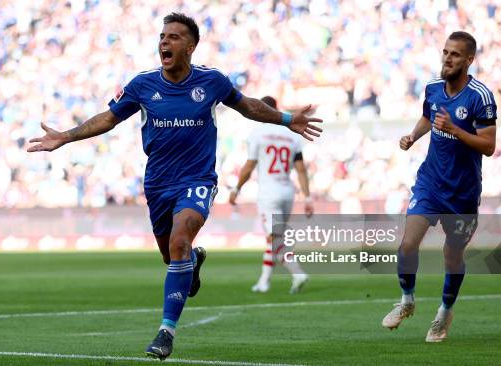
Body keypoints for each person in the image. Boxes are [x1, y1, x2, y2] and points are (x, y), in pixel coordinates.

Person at [27, 13, 322, 360]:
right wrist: (66, 136)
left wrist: (287, 119)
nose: (165, 42)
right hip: (158, 184)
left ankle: (166, 332)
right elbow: (108, 118)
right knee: (173, 256)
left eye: (175, 37)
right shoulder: (141, 85)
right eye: (163, 36)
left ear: (191, 47)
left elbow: (248, 107)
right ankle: (192, 261)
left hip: (197, 179)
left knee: (180, 239)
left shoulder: (212, 81)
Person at [381, 31, 497, 342]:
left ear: (469, 60)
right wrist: (412, 136)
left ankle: (444, 313)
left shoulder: (480, 97)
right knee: (407, 245)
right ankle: (406, 301)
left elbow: (488, 146)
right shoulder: (432, 89)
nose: (447, 58)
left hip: (462, 192)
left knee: (452, 255)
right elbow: (426, 117)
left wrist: (456, 130)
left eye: (455, 54)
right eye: (445, 52)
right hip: (430, 183)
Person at [229, 96, 312, 294]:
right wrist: (307, 197)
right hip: (287, 192)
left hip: (269, 192)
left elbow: (249, 166)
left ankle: (297, 273)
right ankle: (264, 282)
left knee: (275, 239)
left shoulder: (258, 133)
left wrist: (236, 188)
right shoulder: (292, 135)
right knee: (275, 238)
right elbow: (301, 169)